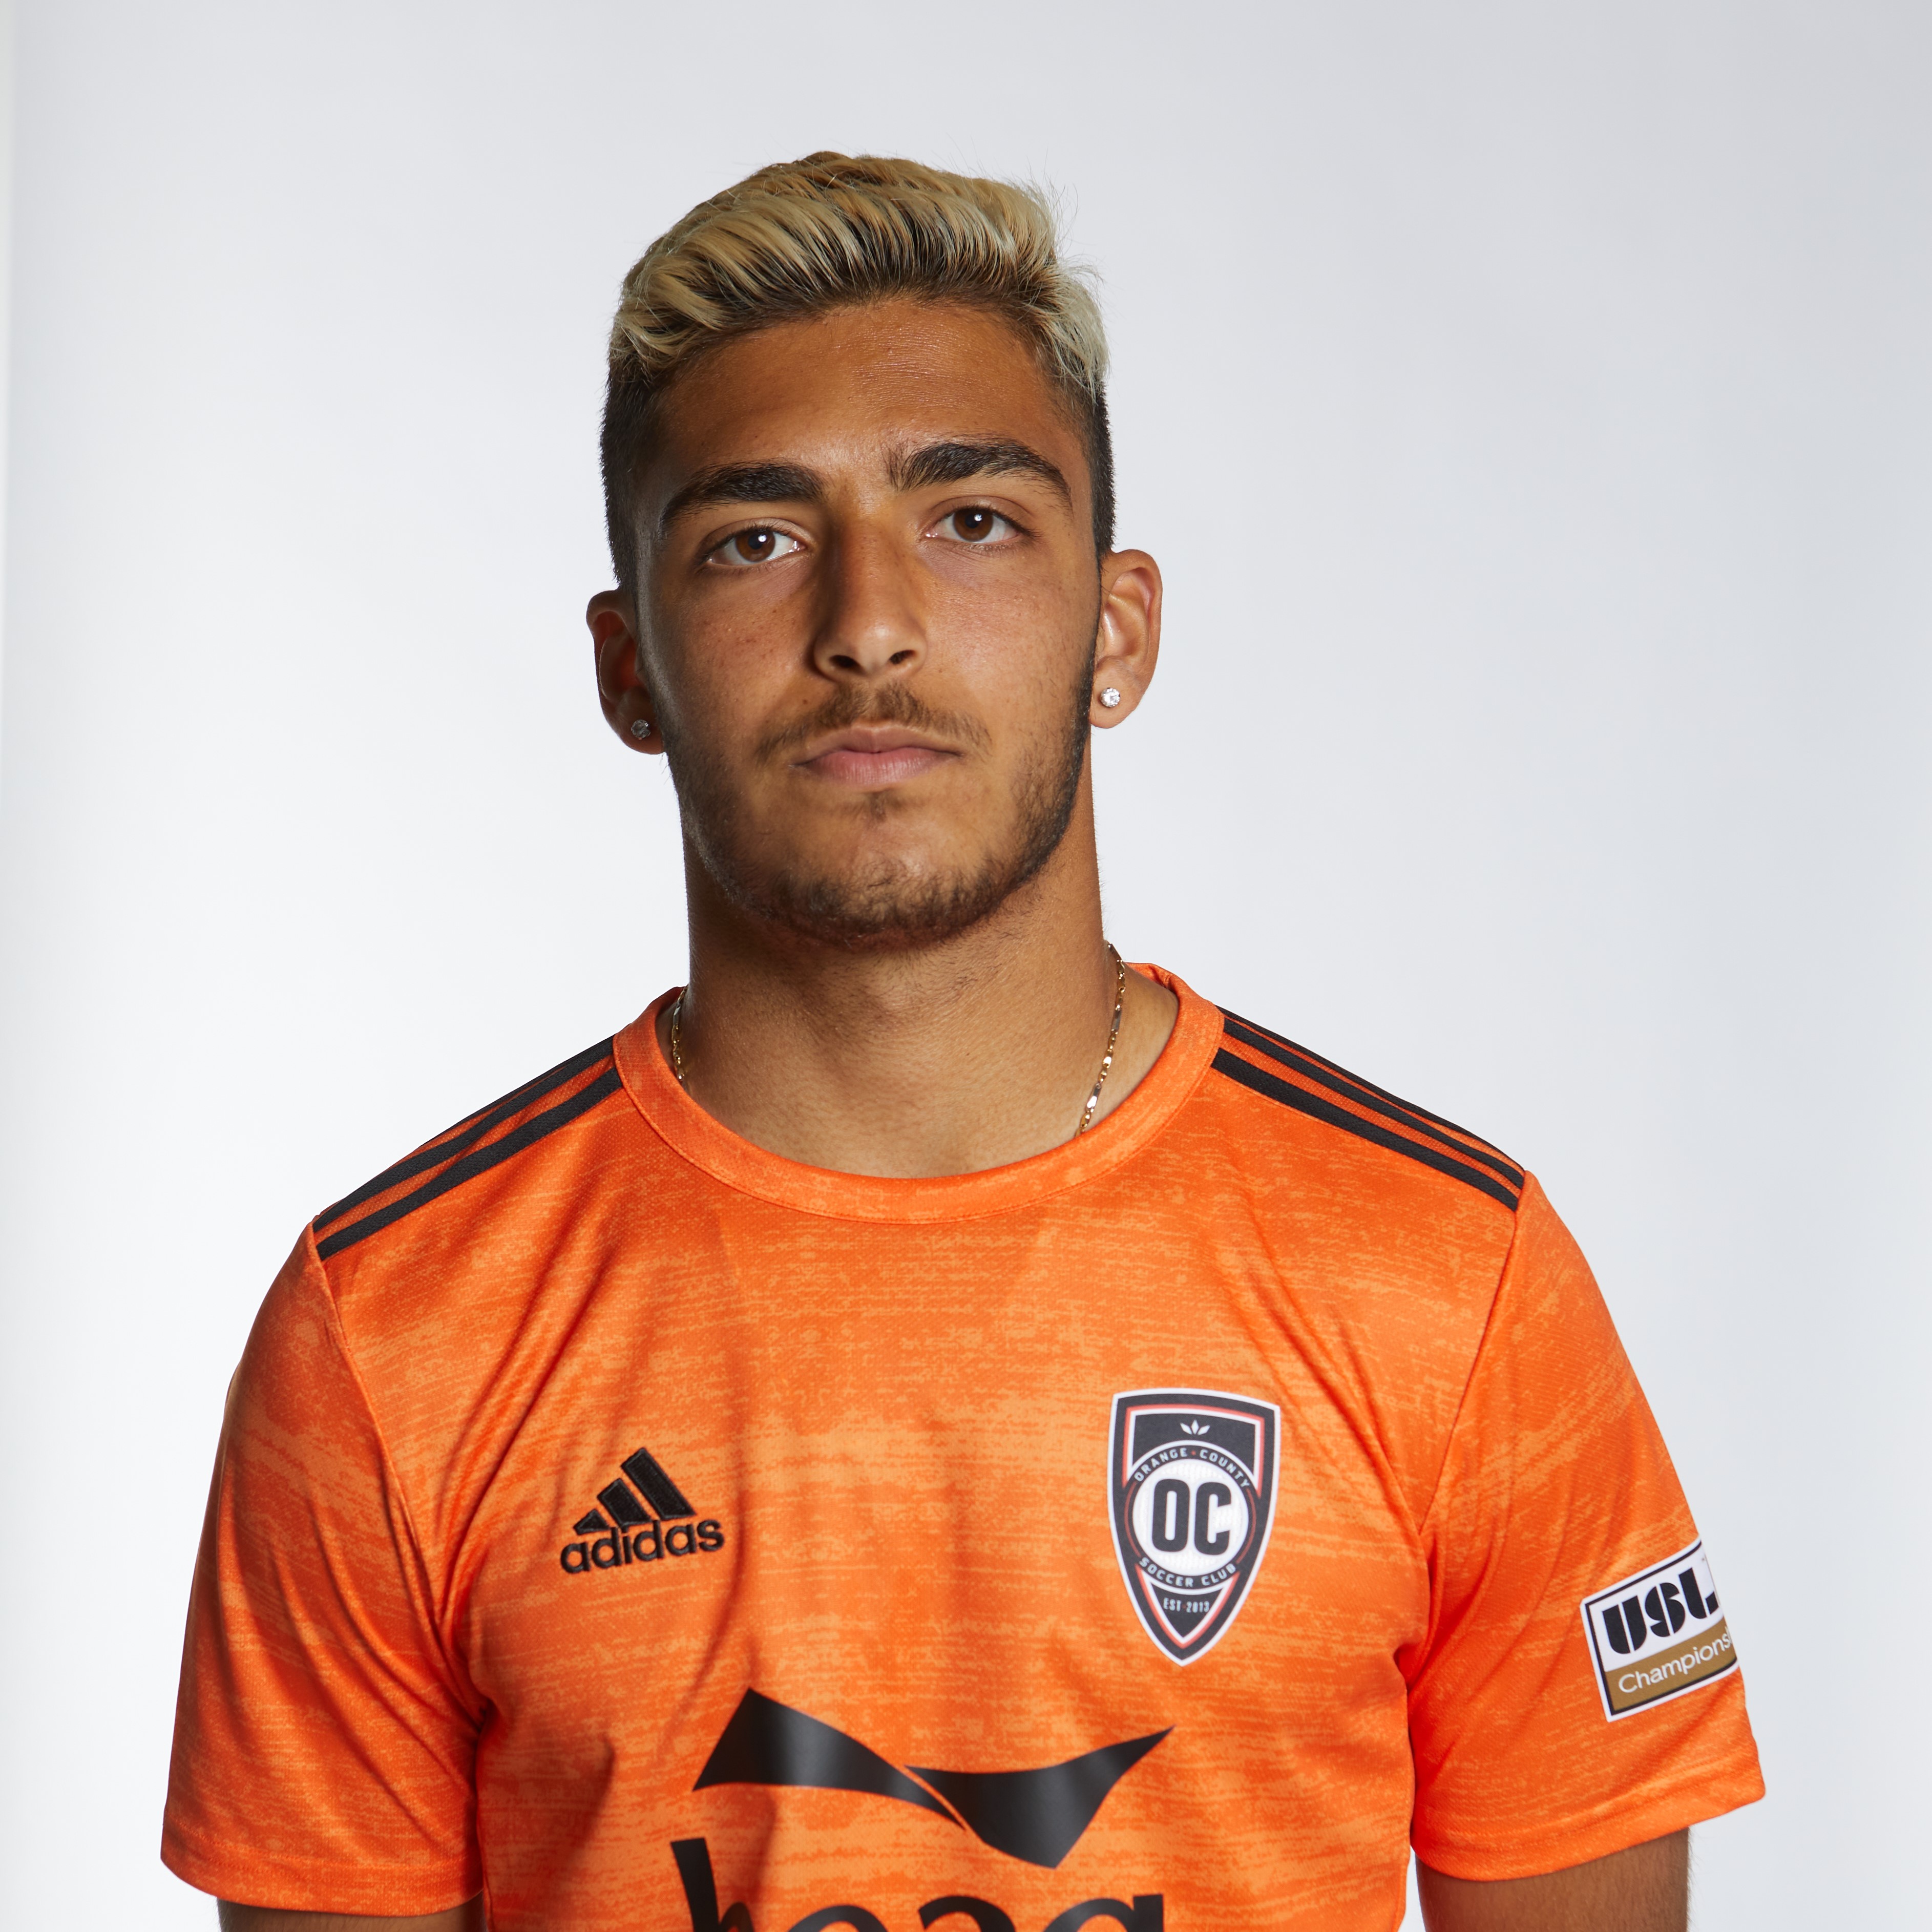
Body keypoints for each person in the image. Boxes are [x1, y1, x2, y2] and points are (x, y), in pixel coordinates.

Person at [162, 154, 1762, 1932]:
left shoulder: (1451, 1286)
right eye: (755, 539)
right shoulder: (393, 1333)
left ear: (1115, 630)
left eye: (973, 519)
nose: (868, 623)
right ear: (628, 670)